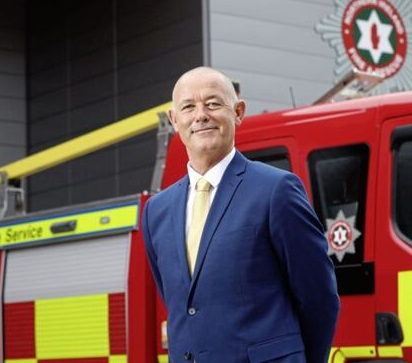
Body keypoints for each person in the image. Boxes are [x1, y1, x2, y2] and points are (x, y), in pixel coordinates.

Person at [142, 66, 340, 363]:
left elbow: (319, 297)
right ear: (174, 120)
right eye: (188, 107)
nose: (200, 115)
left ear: (238, 112)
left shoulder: (276, 190)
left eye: (213, 103)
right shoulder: (156, 212)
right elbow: (183, 304)